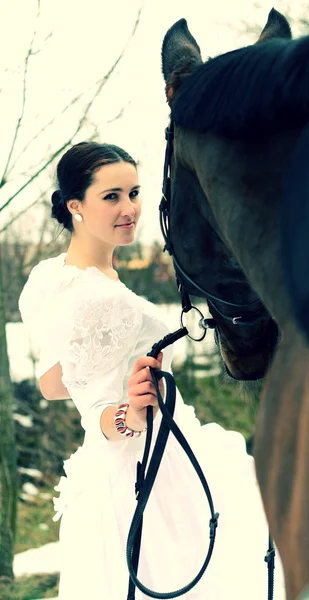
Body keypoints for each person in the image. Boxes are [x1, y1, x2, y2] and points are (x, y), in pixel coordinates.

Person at [18, 142, 282, 600]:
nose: (130, 209)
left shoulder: (52, 277)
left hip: (124, 464)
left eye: (134, 192)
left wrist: (119, 377)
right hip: (147, 472)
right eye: (111, 197)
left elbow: (53, 382)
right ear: (76, 205)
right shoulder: (99, 298)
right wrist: (129, 413)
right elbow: (98, 408)